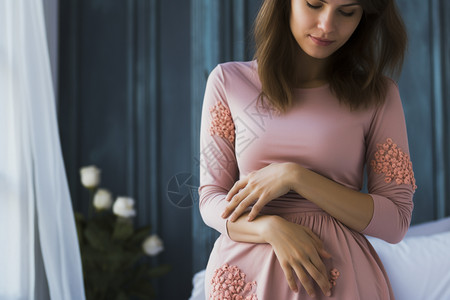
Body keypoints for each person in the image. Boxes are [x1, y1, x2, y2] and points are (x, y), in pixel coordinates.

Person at [198, 0, 416, 299]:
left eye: (347, 11)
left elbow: (396, 222)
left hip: (339, 279)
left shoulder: (378, 95)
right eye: (314, 4)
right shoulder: (229, 82)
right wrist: (270, 228)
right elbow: (210, 199)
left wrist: (295, 176)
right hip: (245, 274)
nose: (327, 25)